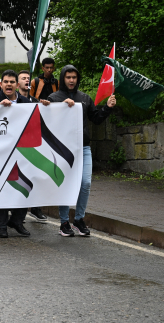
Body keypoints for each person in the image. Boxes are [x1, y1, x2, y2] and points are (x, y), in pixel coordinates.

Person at [48, 64, 115, 237]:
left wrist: (107, 107)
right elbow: (47, 121)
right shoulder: (54, 97)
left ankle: (78, 219)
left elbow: (96, 119)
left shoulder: (85, 98)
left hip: (83, 148)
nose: (71, 80)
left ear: (77, 79)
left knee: (85, 183)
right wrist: (61, 107)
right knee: (65, 184)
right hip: (63, 148)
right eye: (68, 77)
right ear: (63, 78)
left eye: (74, 77)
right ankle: (64, 222)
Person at [0, 70, 39, 238]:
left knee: (25, 186)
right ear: (1, 84)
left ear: (18, 84)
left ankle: (17, 220)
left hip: (22, 152)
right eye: (5, 81)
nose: (8, 84)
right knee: (2, 189)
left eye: (12, 82)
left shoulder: (26, 102)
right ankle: (1, 226)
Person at [15, 70, 51, 224]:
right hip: (13, 145)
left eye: (28, 78)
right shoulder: (11, 99)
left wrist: (47, 107)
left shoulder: (36, 101)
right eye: (23, 78)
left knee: (34, 176)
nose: (26, 81)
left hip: (30, 145)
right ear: (18, 83)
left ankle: (35, 209)